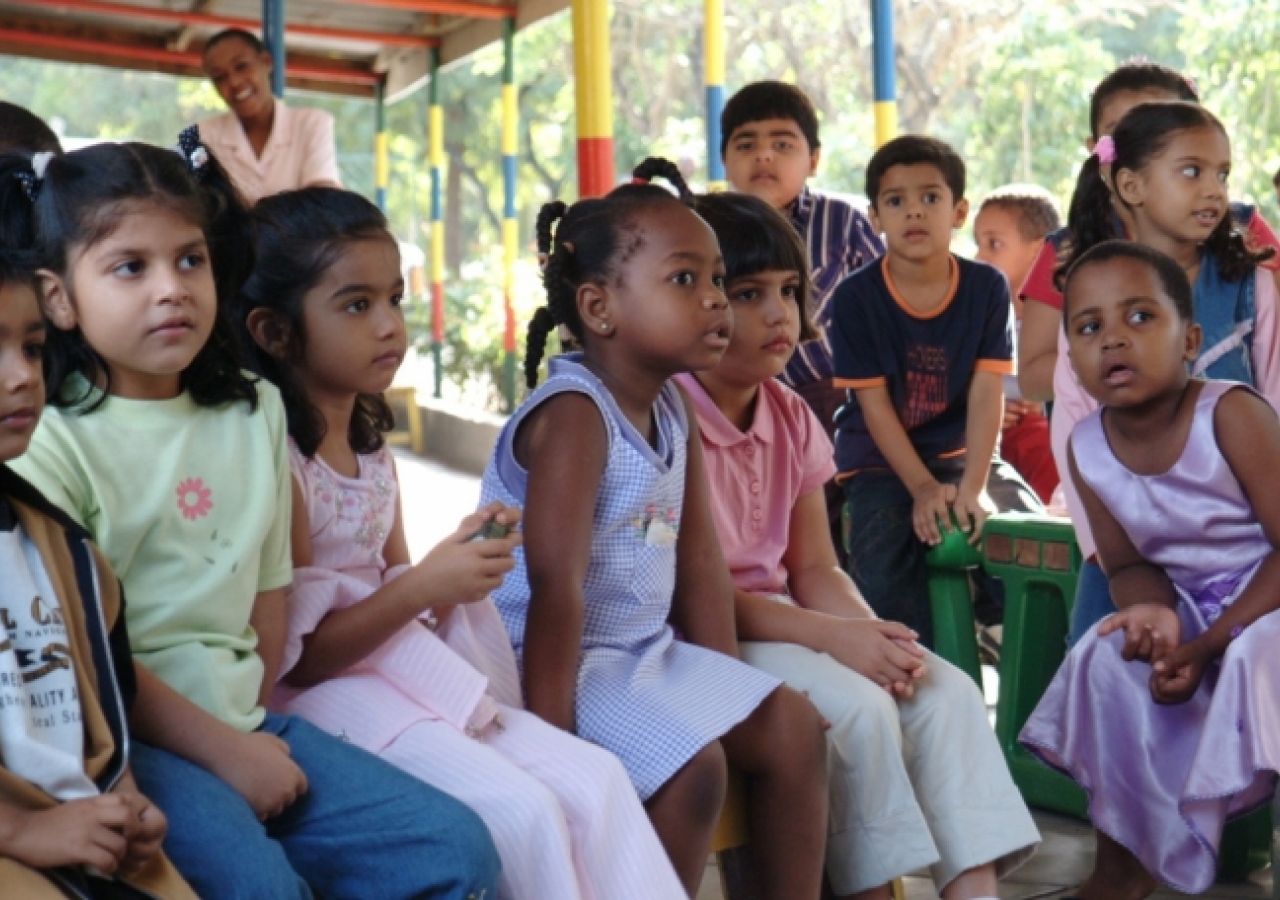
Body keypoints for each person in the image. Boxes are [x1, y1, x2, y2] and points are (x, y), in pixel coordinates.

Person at [2, 133, 500, 899]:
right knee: (261, 887)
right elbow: (91, 650)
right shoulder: (53, 443)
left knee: (455, 850)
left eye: (190, 259)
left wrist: (250, 731)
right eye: (131, 267)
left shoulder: (254, 410)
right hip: (138, 738)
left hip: (249, 718)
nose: (171, 288)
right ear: (59, 297)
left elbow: (271, 591)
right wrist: (228, 754)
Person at [236, 186, 686, 900]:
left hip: (401, 674)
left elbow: (399, 580)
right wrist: (426, 586)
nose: (390, 326)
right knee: (524, 810)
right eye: (357, 305)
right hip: (328, 702)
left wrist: (454, 567)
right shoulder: (284, 461)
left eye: (395, 300)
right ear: (274, 331)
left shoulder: (369, 450)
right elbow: (301, 657)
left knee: (596, 779)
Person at [481, 157, 830, 898]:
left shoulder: (674, 408)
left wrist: (723, 682)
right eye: (686, 281)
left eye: (715, 281)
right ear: (600, 308)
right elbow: (555, 589)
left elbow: (700, 560)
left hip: (639, 653)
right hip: (554, 662)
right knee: (694, 767)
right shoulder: (576, 414)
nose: (714, 302)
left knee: (795, 729)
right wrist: (555, 747)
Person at [675, 191, 1039, 900]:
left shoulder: (788, 414)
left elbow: (814, 566)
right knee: (861, 709)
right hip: (709, 637)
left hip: (791, 622)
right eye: (749, 294)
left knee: (946, 691)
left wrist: (868, 632)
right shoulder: (670, 417)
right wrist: (834, 640)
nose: (779, 315)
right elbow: (700, 600)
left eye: (789, 291)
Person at [1020, 241, 1280, 898]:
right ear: (1071, 362)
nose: (1114, 340)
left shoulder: (1232, 413)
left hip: (1266, 603)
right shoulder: (1086, 446)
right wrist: (1152, 615)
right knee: (1106, 656)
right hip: (1194, 611)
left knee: (1259, 651)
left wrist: (1206, 644)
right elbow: (1129, 564)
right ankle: (1120, 868)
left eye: (1140, 318)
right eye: (1089, 327)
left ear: (1189, 338)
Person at [0, 250, 195, 900]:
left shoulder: (64, 548)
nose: (22, 376)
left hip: (80, 842)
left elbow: (99, 729)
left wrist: (129, 808)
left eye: (30, 348)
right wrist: (21, 831)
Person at [1050, 101, 1280, 645]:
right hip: (1136, 551)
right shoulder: (1088, 292)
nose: (1214, 190)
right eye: (1192, 171)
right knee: (1103, 657)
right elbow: (1073, 425)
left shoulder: (1252, 286)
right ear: (1130, 186)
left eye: (1222, 174)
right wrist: (1106, 554)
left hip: (1252, 550)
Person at [830, 135, 1042, 648]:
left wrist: (973, 487)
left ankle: (1018, 642)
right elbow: (874, 408)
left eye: (930, 197)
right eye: (896, 201)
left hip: (964, 455)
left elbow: (988, 391)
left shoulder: (985, 287)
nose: (914, 213)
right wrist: (923, 488)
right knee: (884, 564)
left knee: (1032, 540)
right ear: (876, 218)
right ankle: (918, 665)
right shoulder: (856, 297)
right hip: (882, 461)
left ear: (959, 211)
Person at [1016, 61, 1278, 404]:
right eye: (1122, 132)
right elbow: (1033, 379)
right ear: (1097, 148)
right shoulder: (1070, 252)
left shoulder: (1241, 236)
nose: (1140, 138)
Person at [720, 80, 884, 561]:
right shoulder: (700, 226)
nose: (764, 157)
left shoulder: (844, 222)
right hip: (729, 400)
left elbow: (884, 312)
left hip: (830, 397)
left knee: (828, 517)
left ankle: (822, 590)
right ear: (724, 159)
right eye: (746, 144)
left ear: (813, 159)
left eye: (782, 144)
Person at [973, 185, 1061, 503]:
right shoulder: (976, 318)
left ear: (1039, 252)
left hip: (1040, 434)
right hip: (988, 435)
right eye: (978, 244)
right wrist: (989, 408)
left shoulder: (1065, 321)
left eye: (994, 244)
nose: (980, 256)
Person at [198, 29, 340, 204]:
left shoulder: (312, 124)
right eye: (220, 77)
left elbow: (324, 199)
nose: (234, 82)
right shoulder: (204, 137)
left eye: (242, 66)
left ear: (266, 62)